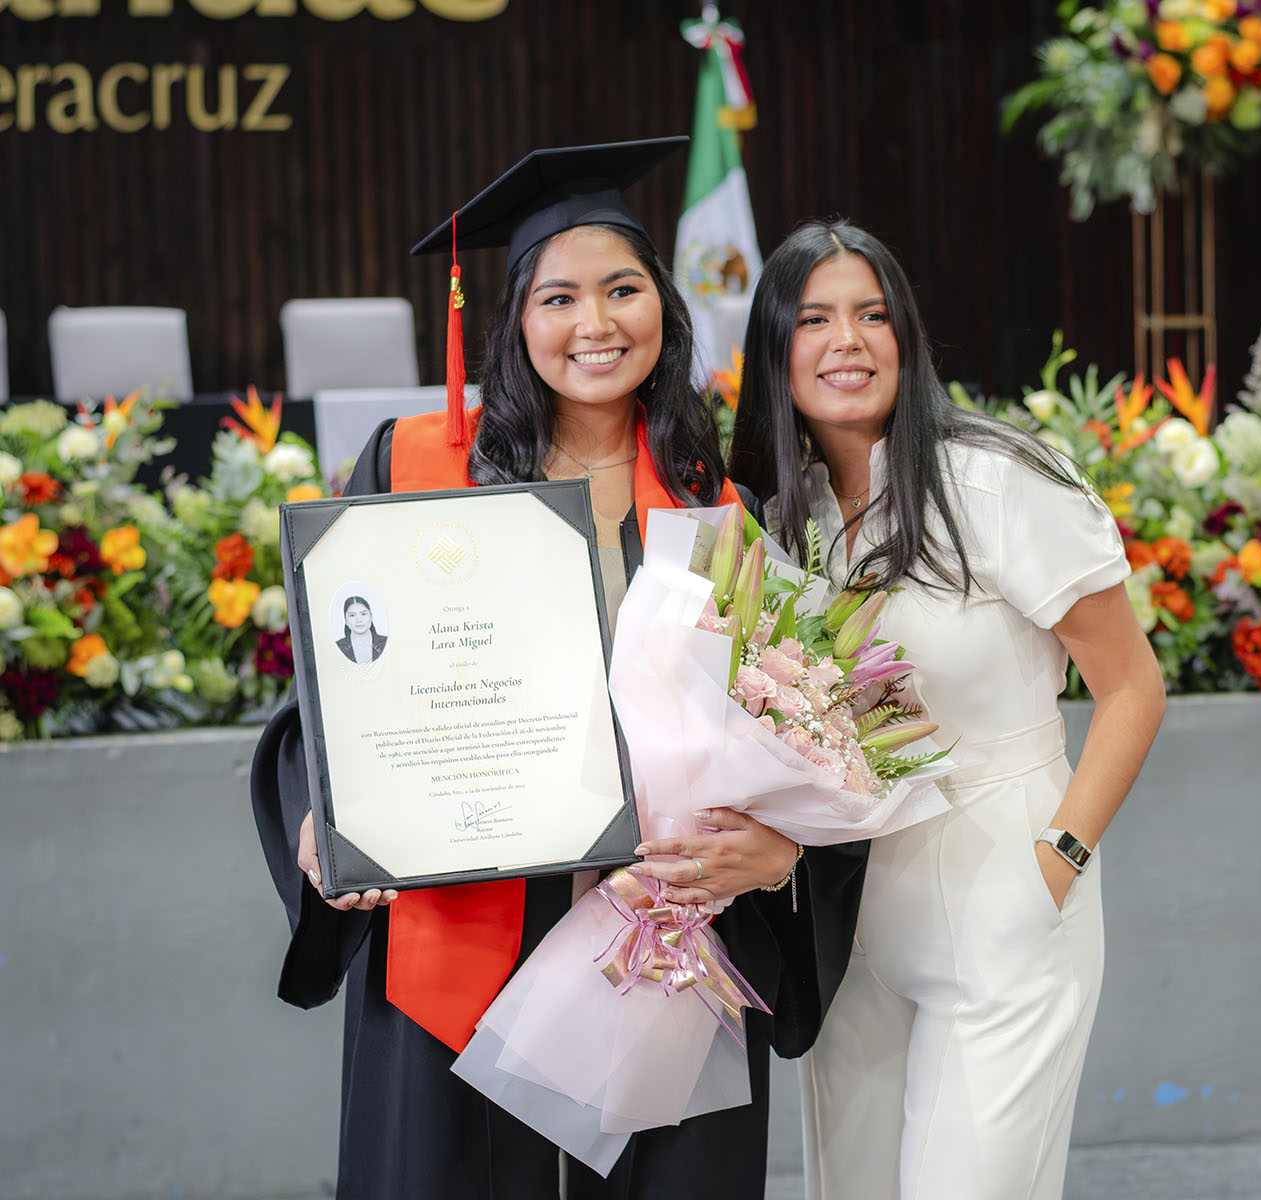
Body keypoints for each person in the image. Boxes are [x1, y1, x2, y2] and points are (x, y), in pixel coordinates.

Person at [250, 141, 867, 1200]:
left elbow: (795, 726)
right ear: (513, 321)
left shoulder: (715, 505)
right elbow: (337, 684)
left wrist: (774, 849)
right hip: (461, 927)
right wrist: (325, 814)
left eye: (624, 290)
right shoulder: (412, 465)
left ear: (664, 310)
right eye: (560, 297)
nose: (596, 324)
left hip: (657, 939)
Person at [727, 220, 1167, 1200]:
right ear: (775, 349)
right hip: (846, 901)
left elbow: (1133, 688)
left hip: (999, 872)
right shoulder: (775, 511)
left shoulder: (997, 482)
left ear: (908, 336)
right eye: (815, 319)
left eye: (873, 314)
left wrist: (1055, 864)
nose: (849, 339)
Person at [335, 595, 384, 664]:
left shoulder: (385, 643)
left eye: (363, 614)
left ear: (371, 617)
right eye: (352, 615)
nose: (358, 620)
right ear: (345, 620)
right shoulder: (338, 647)